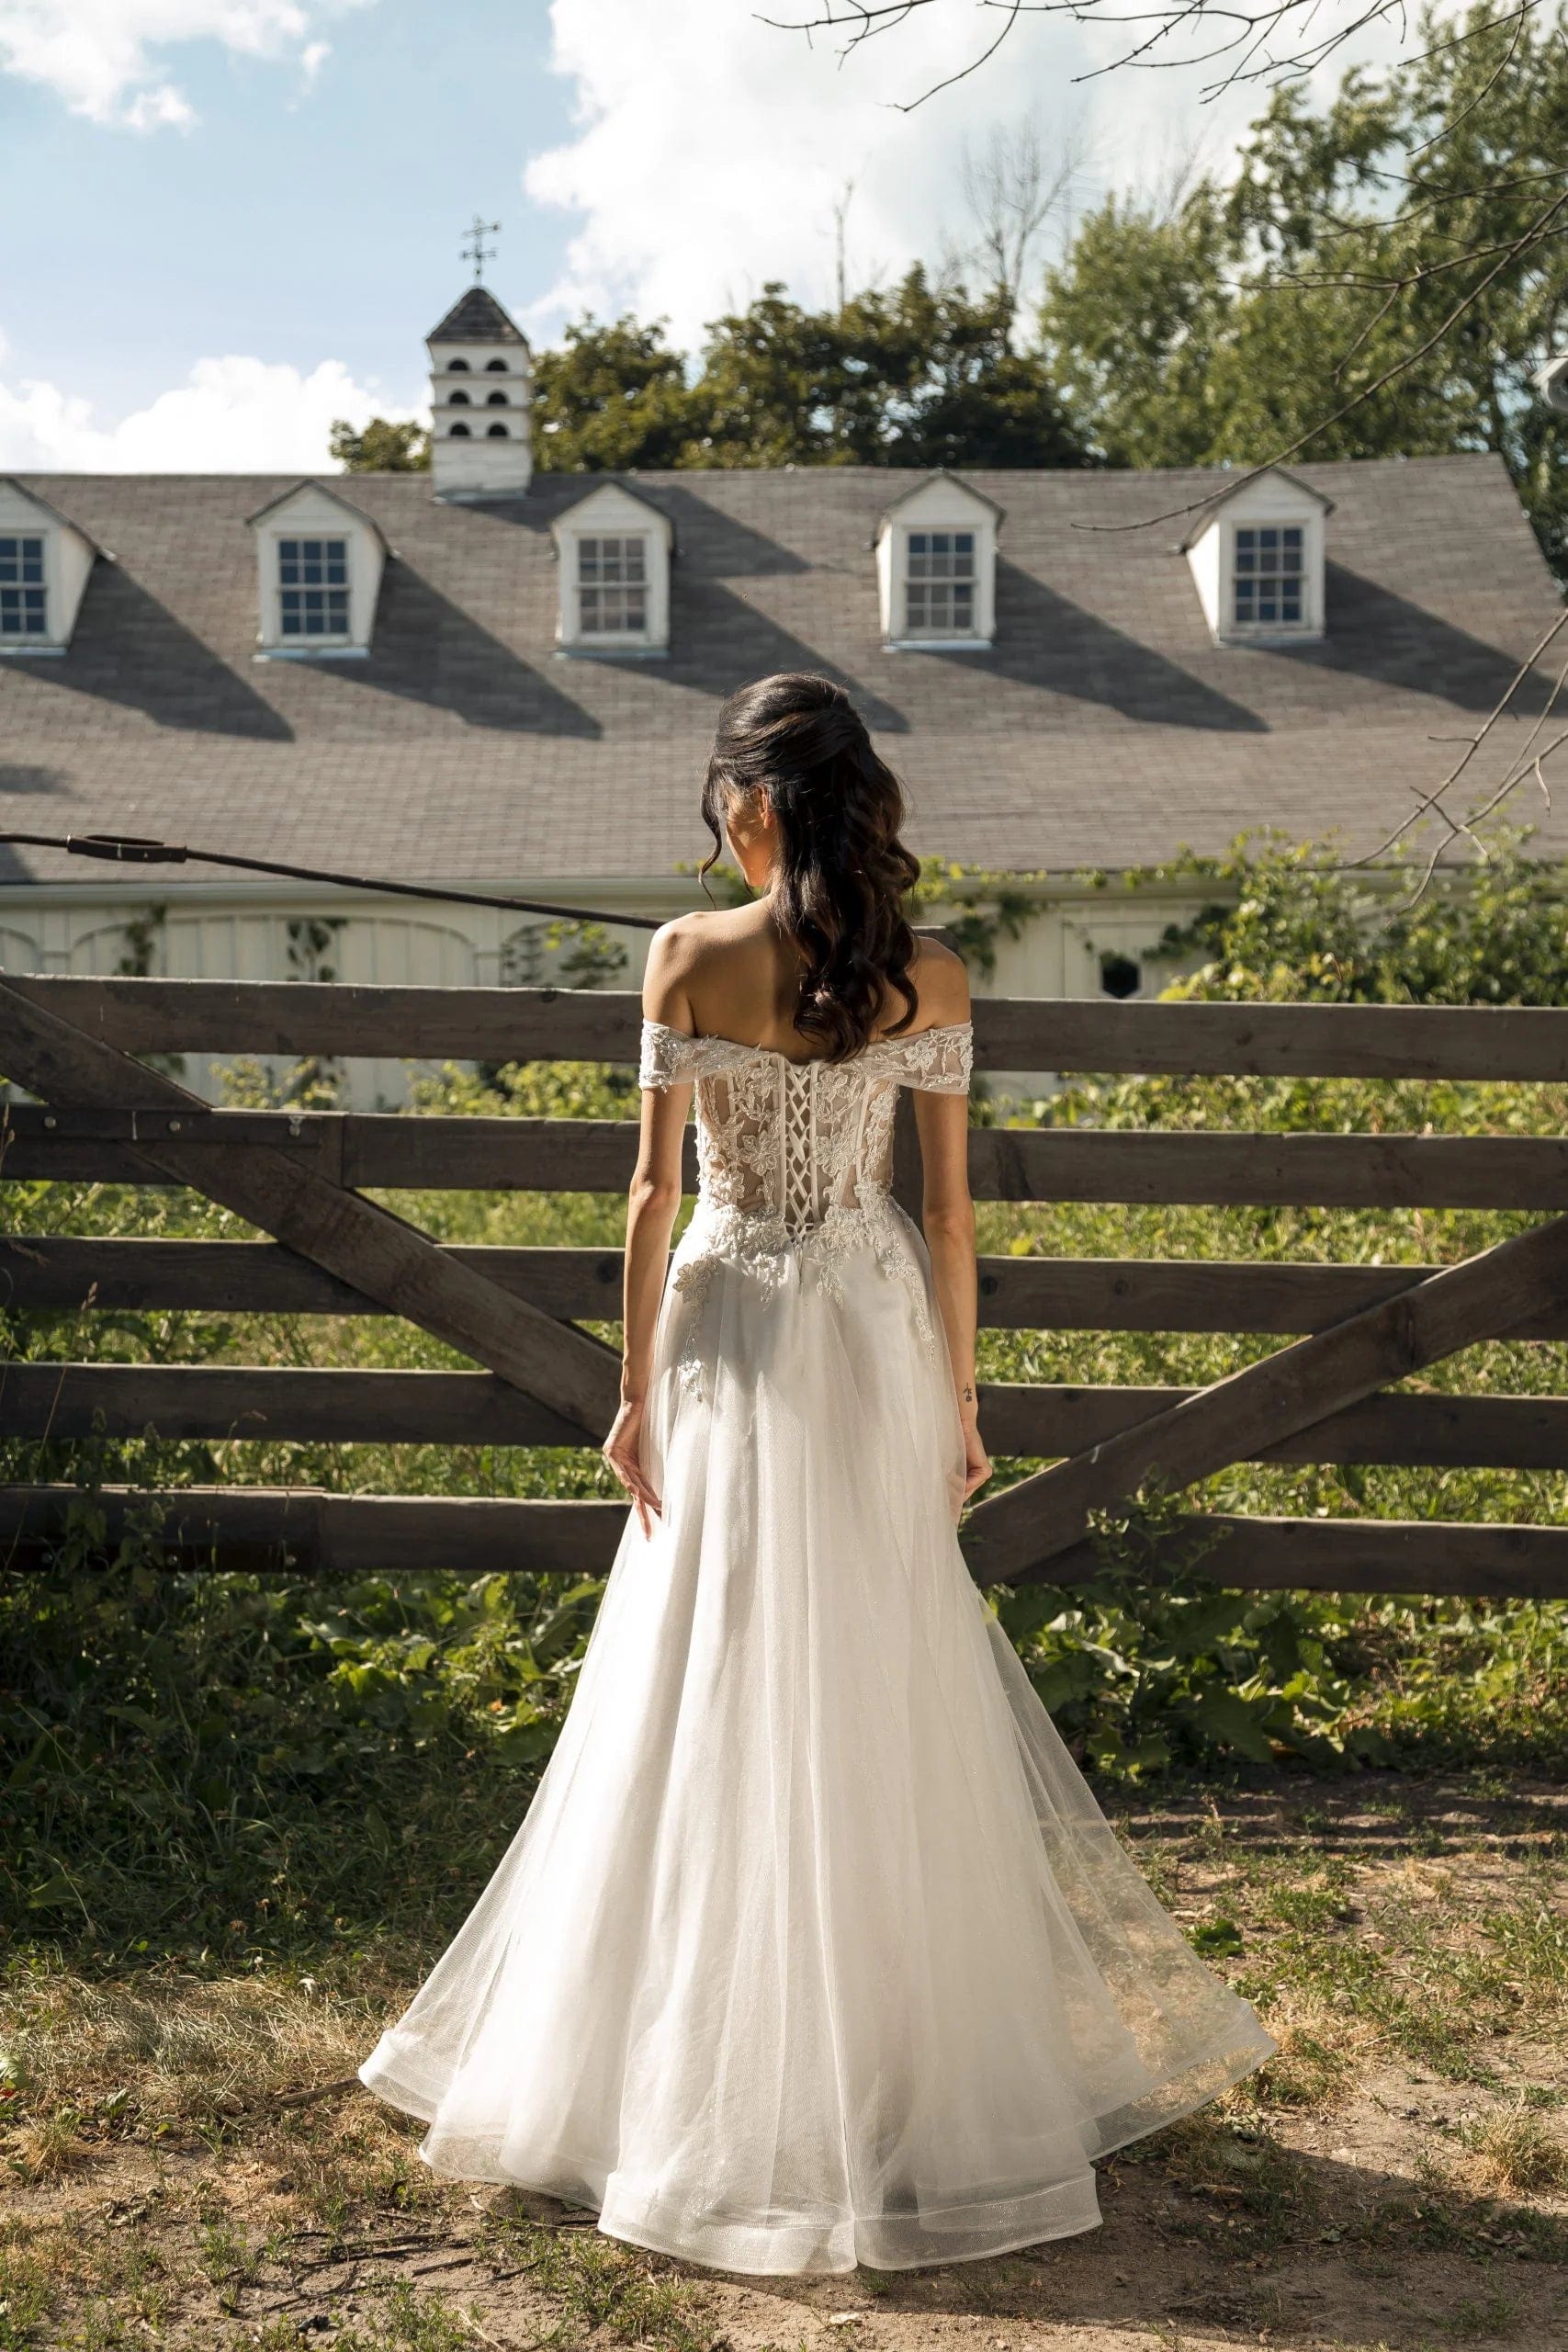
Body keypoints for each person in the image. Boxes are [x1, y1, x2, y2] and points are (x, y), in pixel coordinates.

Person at [358, 672, 1272, 2277]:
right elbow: (950, 1216)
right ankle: (893, 2068)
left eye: (720, 799)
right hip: (868, 1329)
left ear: (757, 800)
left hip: (728, 1331)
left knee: (706, 1662)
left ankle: (678, 2071)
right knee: (873, 1668)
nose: (713, 826)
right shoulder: (928, 972)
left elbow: (651, 1196)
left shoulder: (690, 957)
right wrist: (965, 1401)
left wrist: (628, 1391)